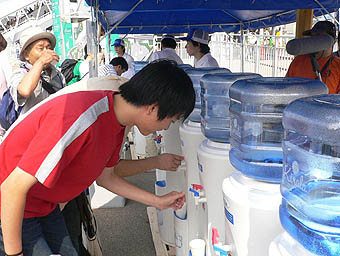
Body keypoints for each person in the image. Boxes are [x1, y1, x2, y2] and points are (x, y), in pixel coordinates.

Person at [0, 60, 195, 256]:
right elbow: (11, 188)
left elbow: (106, 177)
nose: (166, 128)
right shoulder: (81, 117)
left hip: (43, 205)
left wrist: (157, 201)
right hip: (12, 207)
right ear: (153, 108)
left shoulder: (116, 117)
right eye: (170, 120)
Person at [9, 26, 65, 116]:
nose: (46, 52)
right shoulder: (21, 73)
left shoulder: (57, 74)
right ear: (26, 54)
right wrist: (41, 62)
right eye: (40, 48)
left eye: (48, 47)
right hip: (34, 128)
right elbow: (24, 91)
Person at [286, 21, 340, 94]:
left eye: (318, 36)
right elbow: (286, 87)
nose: (313, 40)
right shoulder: (298, 61)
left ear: (331, 41)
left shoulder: (337, 66)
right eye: (312, 36)